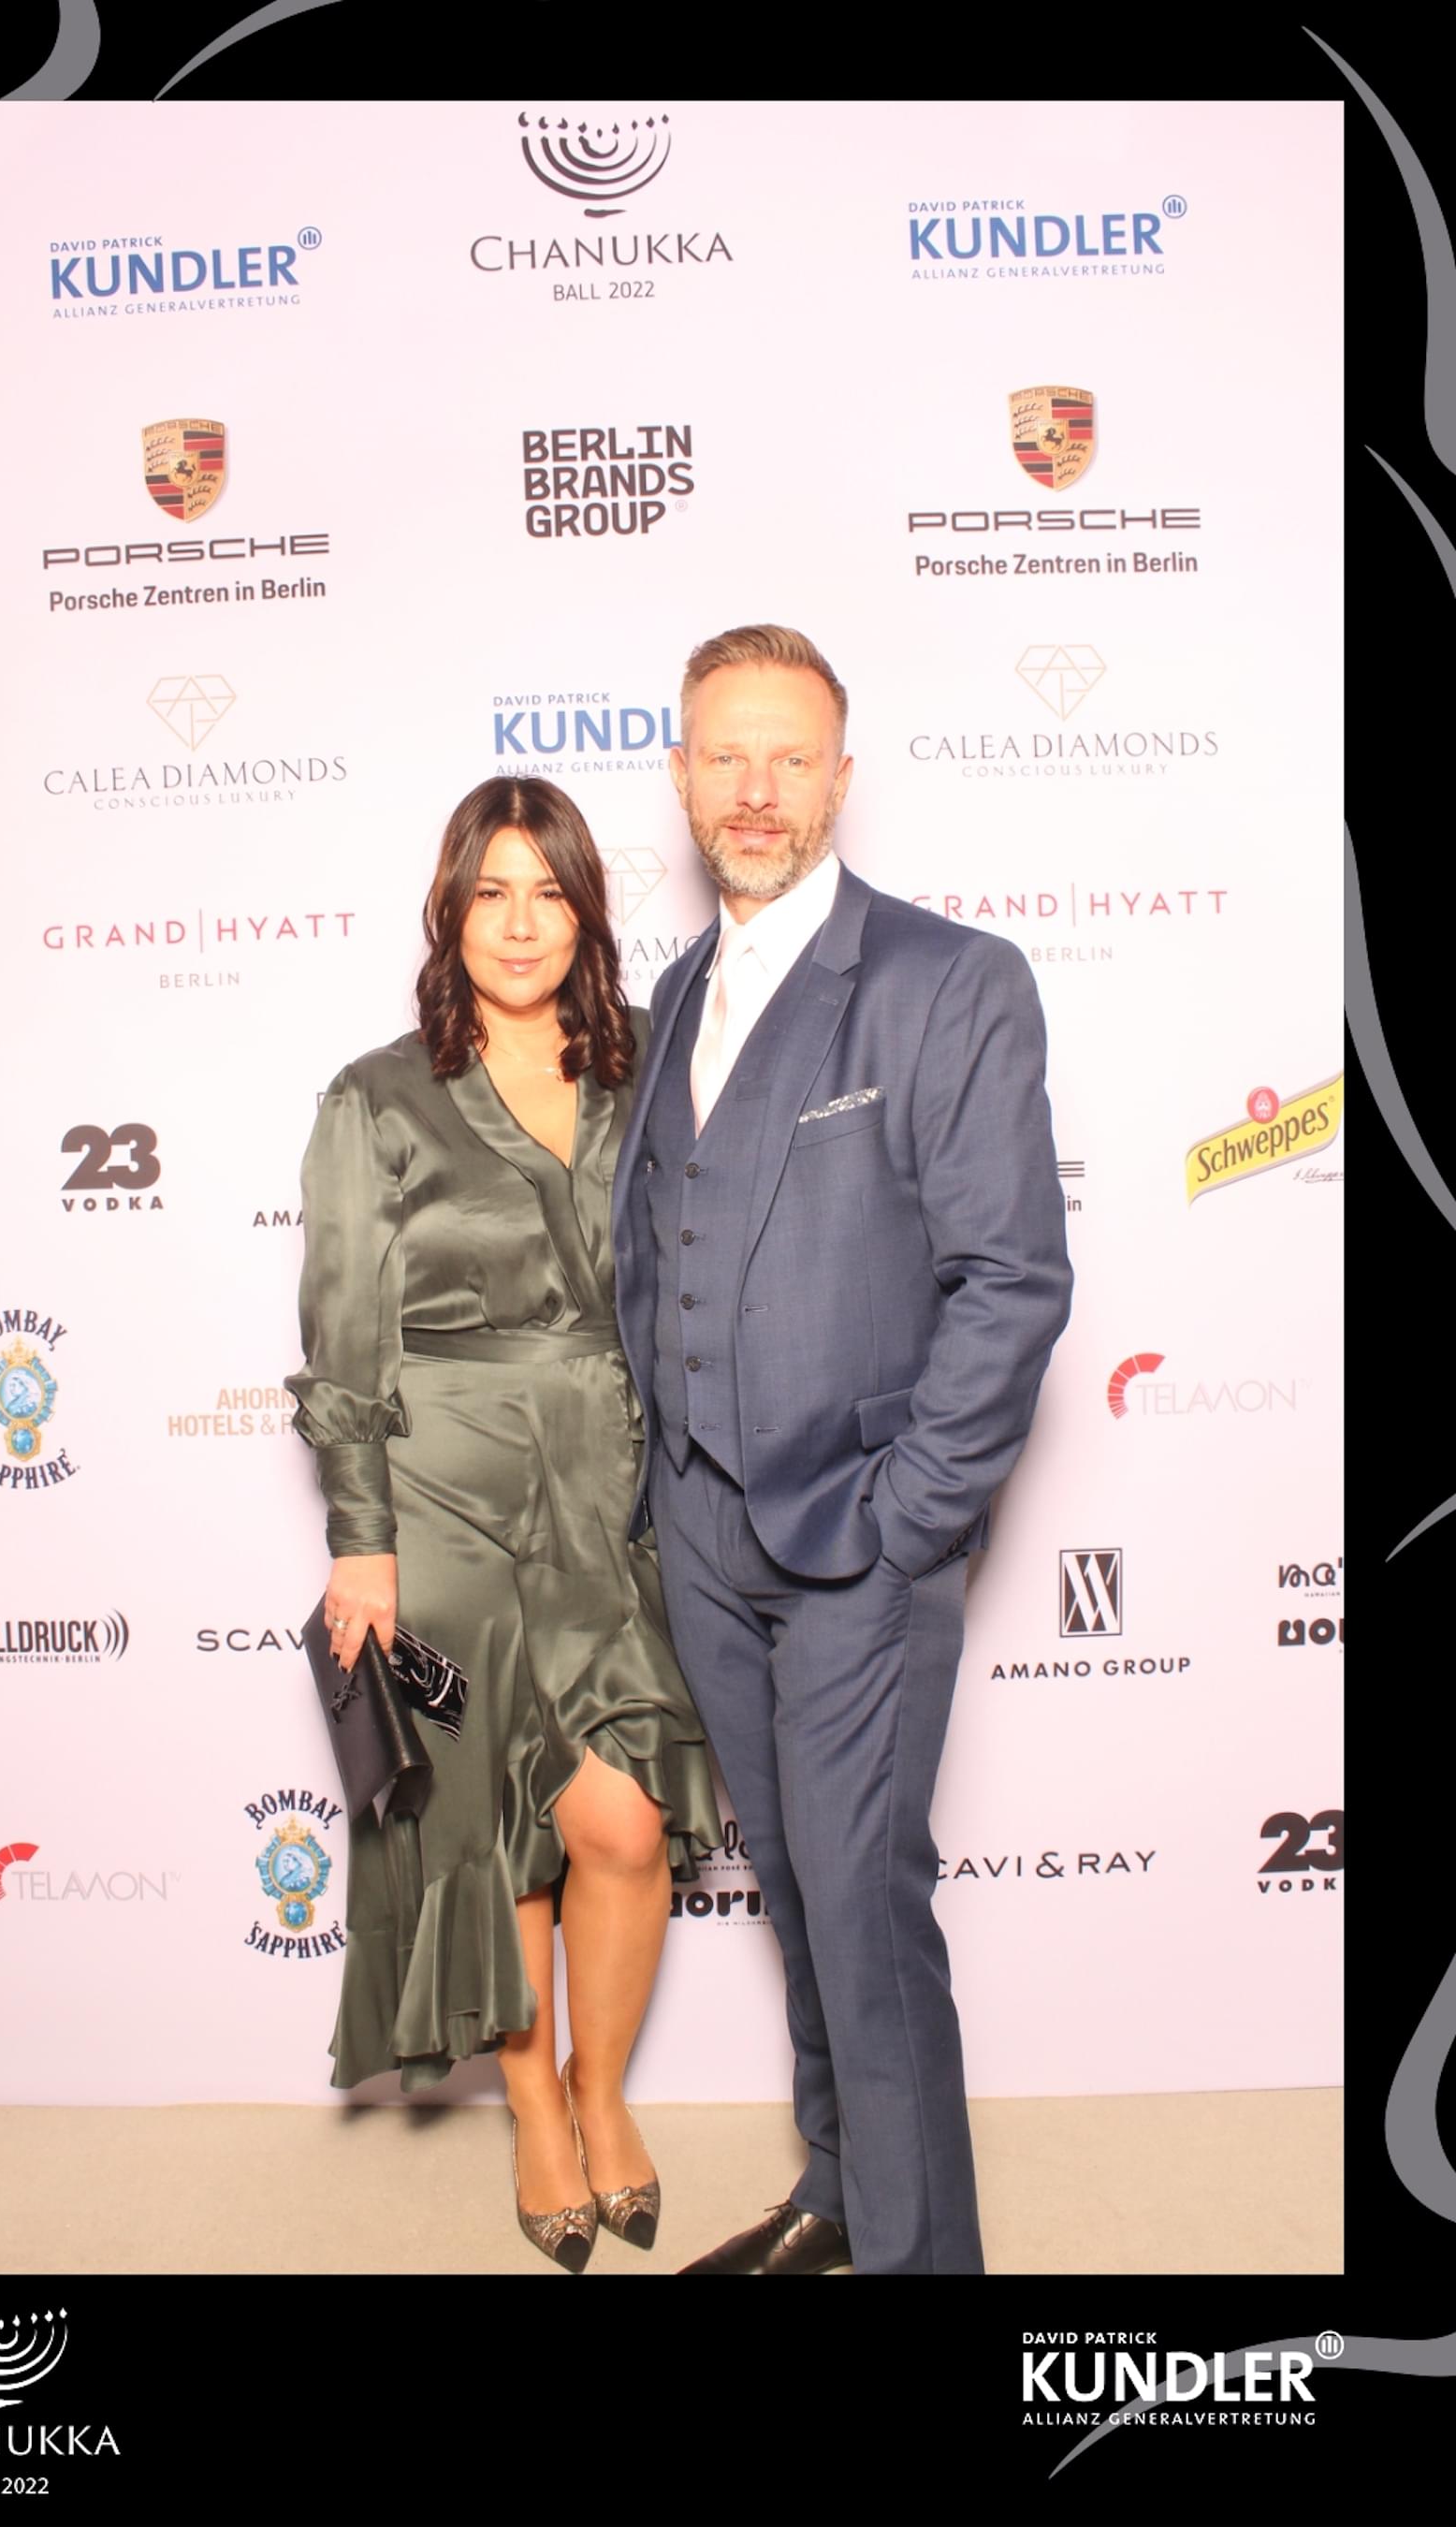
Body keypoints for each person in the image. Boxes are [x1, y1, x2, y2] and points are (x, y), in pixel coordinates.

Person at [610, 625, 1073, 2275]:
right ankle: (836, 2193)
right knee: (801, 1889)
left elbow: (1012, 1279)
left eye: (790, 758)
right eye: (726, 757)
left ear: (841, 778)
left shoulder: (950, 981)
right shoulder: (677, 990)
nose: (757, 790)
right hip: (703, 1537)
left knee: (865, 1907)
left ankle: (921, 2256)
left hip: (857, 1543)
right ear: (681, 777)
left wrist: (909, 1518)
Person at [286, 775, 720, 2272]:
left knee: (624, 1822)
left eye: (549, 892)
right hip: (444, 1502)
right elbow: (344, 1335)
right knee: (490, 1827)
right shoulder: (376, 1098)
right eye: (492, 893)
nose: (521, 924)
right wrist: (362, 1541)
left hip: (615, 1492)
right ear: (451, 910)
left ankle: (604, 2089)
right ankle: (536, 2108)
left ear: (588, 912)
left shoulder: (656, 1067)